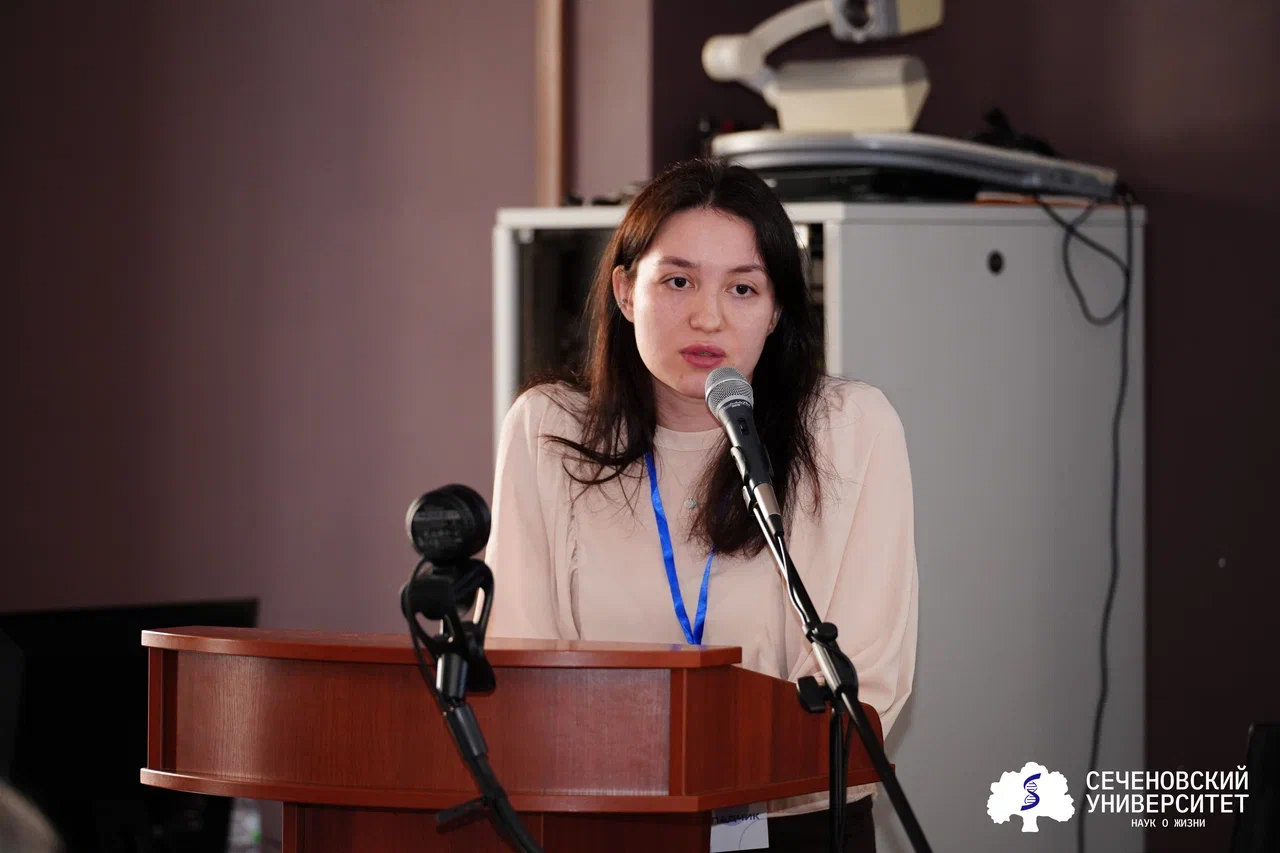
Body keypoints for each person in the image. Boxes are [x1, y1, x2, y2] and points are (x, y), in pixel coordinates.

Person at [485, 157, 918, 852]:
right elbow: (521, 668)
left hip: (799, 825)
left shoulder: (850, 429)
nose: (707, 316)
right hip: (604, 825)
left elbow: (862, 683)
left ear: (777, 309)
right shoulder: (548, 431)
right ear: (626, 291)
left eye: (743, 288)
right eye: (678, 280)